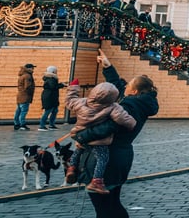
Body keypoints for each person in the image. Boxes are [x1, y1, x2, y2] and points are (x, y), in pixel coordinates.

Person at [76, 56, 159, 218]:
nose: (125, 86)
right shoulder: (138, 102)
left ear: (134, 91)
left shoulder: (130, 105)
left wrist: (82, 136)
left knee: (104, 208)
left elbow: (110, 127)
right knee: (112, 204)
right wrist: (108, 67)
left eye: (129, 85)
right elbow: (119, 87)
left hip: (107, 158)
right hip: (120, 157)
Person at [64, 77, 137, 194]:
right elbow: (123, 118)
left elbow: (70, 100)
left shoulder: (81, 102)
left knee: (78, 150)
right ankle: (97, 181)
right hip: (98, 140)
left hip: (80, 135)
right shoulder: (112, 107)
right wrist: (132, 124)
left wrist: (73, 87)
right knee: (102, 158)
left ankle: (71, 168)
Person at [38, 65, 65, 130]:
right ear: (53, 71)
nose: (56, 72)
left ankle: (51, 125)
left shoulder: (50, 78)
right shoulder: (51, 79)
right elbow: (53, 87)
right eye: (55, 70)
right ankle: (42, 125)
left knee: (55, 110)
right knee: (48, 111)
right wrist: (61, 85)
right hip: (49, 97)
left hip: (51, 97)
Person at [14, 63, 35, 130]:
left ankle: (16, 124)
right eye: (32, 68)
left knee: (18, 111)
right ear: (29, 68)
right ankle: (22, 124)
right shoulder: (27, 76)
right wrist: (31, 92)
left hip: (20, 95)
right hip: (25, 96)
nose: (33, 69)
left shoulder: (22, 75)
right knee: (23, 111)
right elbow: (27, 86)